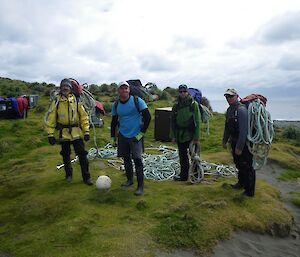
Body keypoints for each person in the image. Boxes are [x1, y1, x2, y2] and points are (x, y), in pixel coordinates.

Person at [45, 78, 93, 185]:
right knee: (66, 155)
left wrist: (86, 132)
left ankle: (87, 177)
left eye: (67, 87)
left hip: (76, 132)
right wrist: (50, 134)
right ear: (61, 88)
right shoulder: (56, 102)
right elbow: (51, 118)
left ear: (70, 89)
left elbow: (84, 117)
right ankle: (68, 175)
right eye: (63, 87)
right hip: (64, 133)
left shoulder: (76, 101)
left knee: (82, 155)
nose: (65, 88)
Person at [110, 81, 151, 196]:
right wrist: (113, 137)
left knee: (137, 160)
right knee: (126, 158)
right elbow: (113, 122)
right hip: (122, 135)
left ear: (129, 90)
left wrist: (141, 134)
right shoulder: (116, 105)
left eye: (126, 88)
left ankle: (140, 187)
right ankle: (129, 180)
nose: (124, 90)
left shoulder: (137, 101)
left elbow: (148, 118)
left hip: (135, 135)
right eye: (122, 89)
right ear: (118, 91)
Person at [222, 88, 255, 197]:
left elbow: (244, 131)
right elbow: (227, 127)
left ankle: (249, 191)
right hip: (234, 141)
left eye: (231, 96)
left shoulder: (241, 110)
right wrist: (224, 140)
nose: (228, 98)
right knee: (238, 163)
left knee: (247, 166)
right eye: (227, 97)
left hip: (244, 143)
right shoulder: (229, 110)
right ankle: (241, 183)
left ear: (237, 96)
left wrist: (239, 147)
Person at [170, 84, 201, 181]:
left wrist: (196, 137)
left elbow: (197, 120)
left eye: (184, 91)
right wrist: (173, 136)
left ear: (187, 92)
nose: (183, 93)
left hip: (191, 134)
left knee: (194, 156)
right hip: (180, 134)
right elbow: (173, 122)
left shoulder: (193, 104)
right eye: (181, 92)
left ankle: (196, 174)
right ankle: (184, 175)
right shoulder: (176, 106)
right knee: (182, 156)